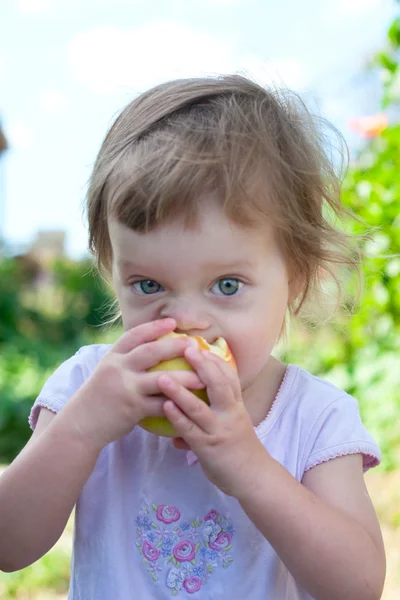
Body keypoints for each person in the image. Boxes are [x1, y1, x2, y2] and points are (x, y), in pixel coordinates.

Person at [0, 74, 386, 599]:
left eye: (226, 285)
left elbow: (357, 587)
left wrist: (250, 466)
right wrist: (82, 427)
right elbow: (9, 546)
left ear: (294, 276)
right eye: (149, 284)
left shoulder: (314, 418)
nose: (186, 320)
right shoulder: (88, 387)